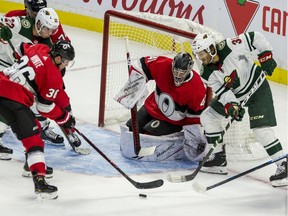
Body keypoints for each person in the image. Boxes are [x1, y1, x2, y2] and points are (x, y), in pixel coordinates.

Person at [191, 32, 287, 187]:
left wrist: (266, 55)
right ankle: (218, 158)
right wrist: (232, 106)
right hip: (237, 95)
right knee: (209, 117)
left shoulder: (229, 46)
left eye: (201, 54)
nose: (200, 58)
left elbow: (255, 37)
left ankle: (284, 165)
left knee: (260, 131)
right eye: (198, 55)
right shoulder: (206, 72)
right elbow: (223, 92)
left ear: (210, 49)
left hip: (257, 88)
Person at [0, 39, 76, 199]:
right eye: (66, 62)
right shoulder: (53, 77)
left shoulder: (40, 49)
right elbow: (44, 107)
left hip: (2, 81)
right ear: (58, 58)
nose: (66, 65)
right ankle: (40, 183)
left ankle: (31, 164)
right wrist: (64, 118)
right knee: (34, 140)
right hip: (14, 98)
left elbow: (21, 47)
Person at [115, 52, 208, 161]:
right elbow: (141, 65)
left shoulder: (197, 87)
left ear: (189, 71)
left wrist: (192, 139)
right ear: (172, 65)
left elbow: (194, 117)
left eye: (182, 73)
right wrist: (135, 86)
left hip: (172, 121)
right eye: (176, 71)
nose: (178, 75)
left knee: (148, 135)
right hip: (152, 107)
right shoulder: (163, 65)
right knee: (131, 127)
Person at [5, 0, 71, 43]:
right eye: (35, 14)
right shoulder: (13, 16)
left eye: (41, 12)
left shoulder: (50, 23)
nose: (39, 16)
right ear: (27, 9)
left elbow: (65, 46)